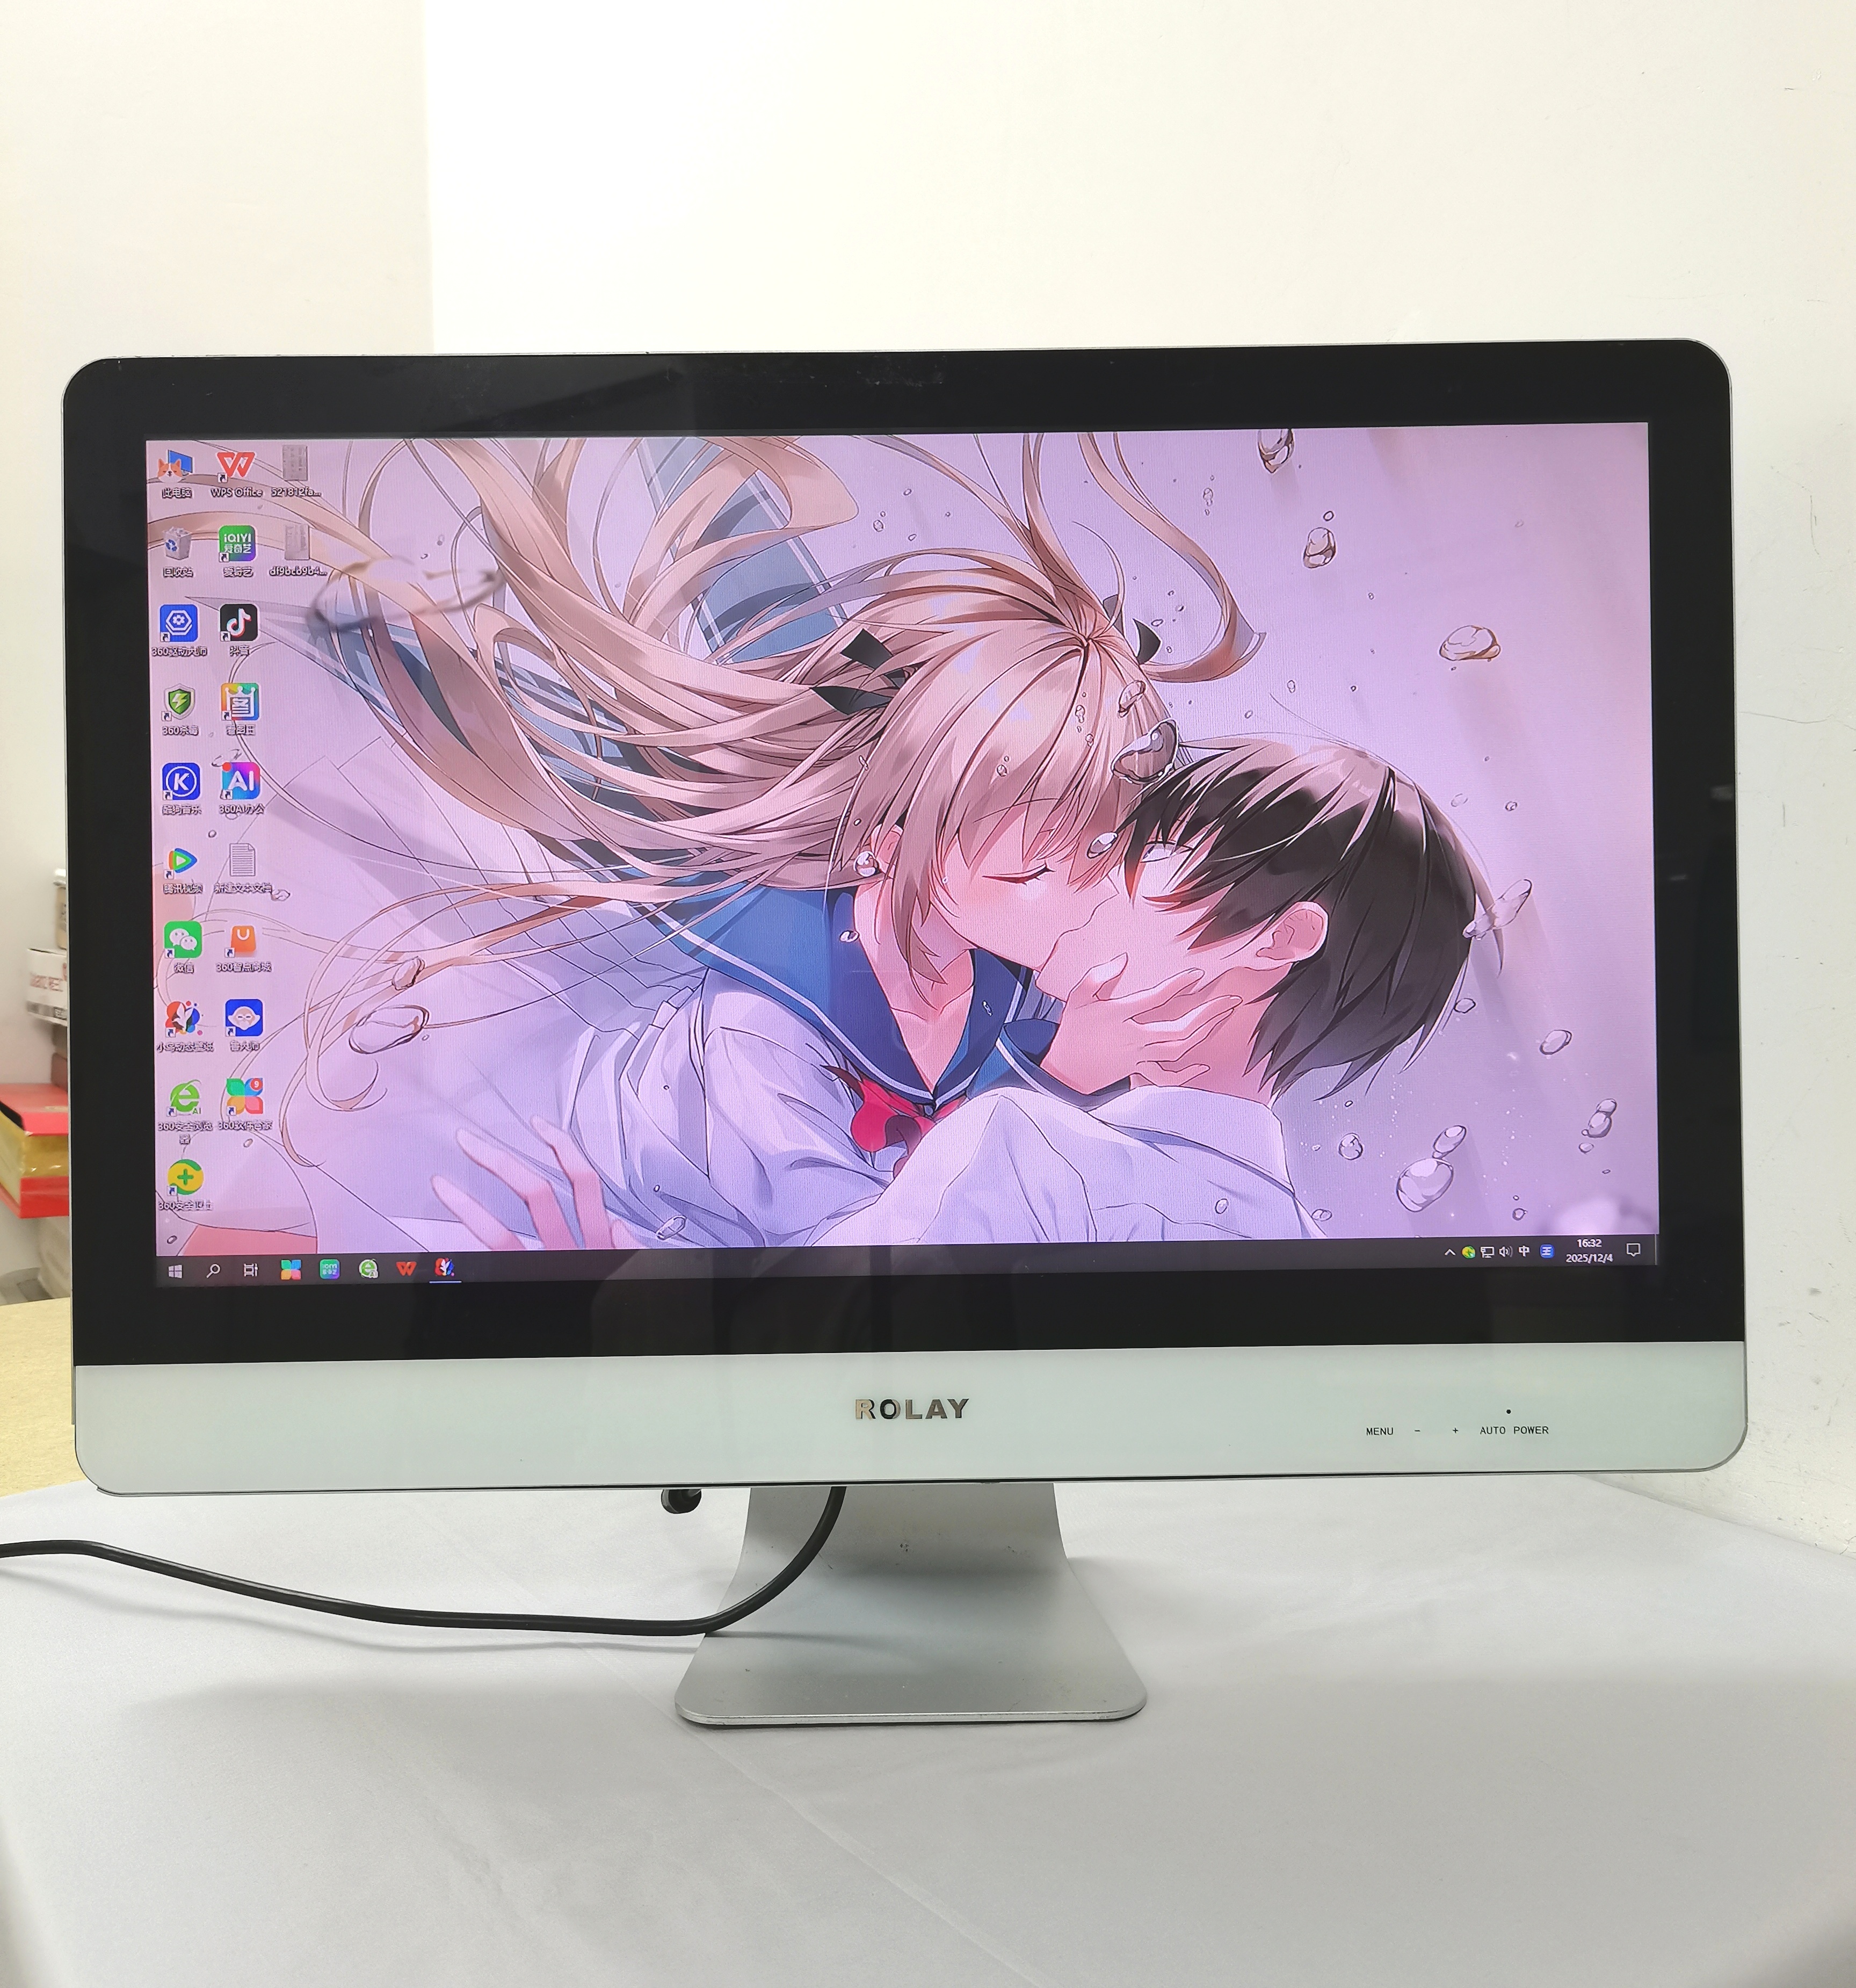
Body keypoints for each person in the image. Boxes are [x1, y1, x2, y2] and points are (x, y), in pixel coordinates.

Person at [242, 432, 1262, 1248]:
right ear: (898, 840)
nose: (1092, 893)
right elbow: (860, 1279)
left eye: (1103, 850)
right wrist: (1058, 1075)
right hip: (583, 1194)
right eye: (1040, 866)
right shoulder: (759, 1028)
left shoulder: (1012, 974)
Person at [815, 735, 1495, 1245]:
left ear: (1281, 939)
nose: (1101, 871)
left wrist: (1055, 1081)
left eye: (1161, 848)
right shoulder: (1304, 1247)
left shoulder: (1024, 1154)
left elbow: (823, 1341)